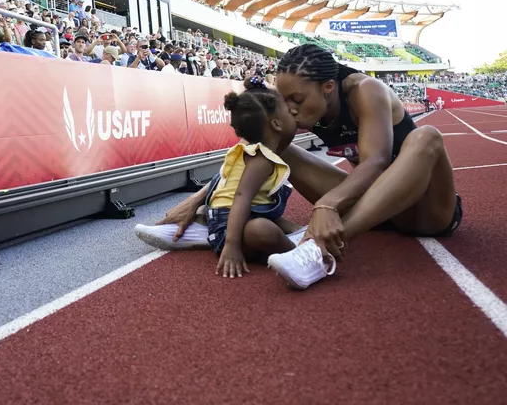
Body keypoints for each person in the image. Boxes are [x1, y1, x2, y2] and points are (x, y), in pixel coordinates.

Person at [148, 44, 462, 291]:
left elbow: (377, 161)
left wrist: (328, 204)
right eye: (285, 100)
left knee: (427, 137)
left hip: (425, 211)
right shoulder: (301, 105)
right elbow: (257, 148)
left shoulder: (366, 91)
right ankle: (219, 223)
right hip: (374, 211)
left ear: (328, 87)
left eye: (297, 99)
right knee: (278, 146)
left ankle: (316, 250)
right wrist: (197, 200)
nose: (291, 108)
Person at [136, 76, 306, 278]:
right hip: (230, 228)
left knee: (263, 212)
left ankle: (297, 235)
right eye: (288, 110)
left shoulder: (246, 150)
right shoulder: (261, 158)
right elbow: (241, 198)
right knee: (261, 229)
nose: (294, 112)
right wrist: (232, 245)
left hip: (225, 219)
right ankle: (298, 254)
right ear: (277, 124)